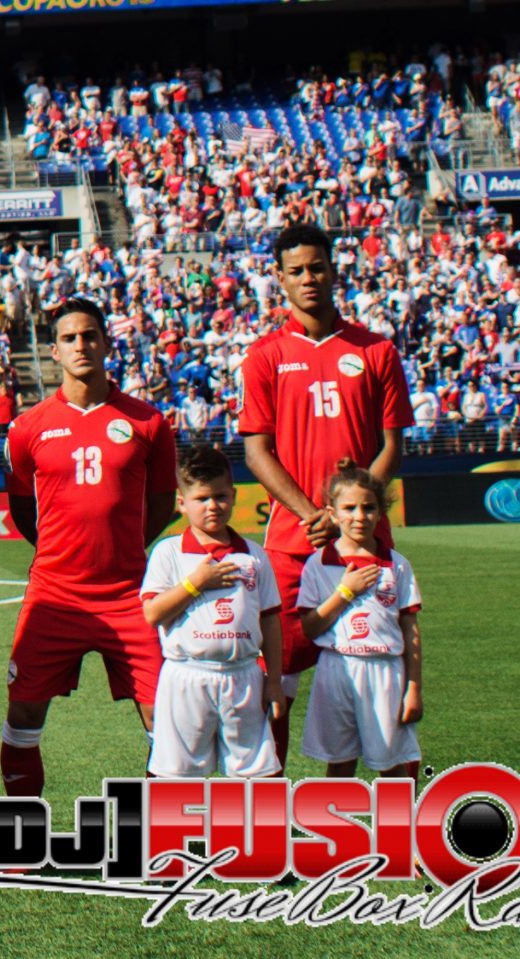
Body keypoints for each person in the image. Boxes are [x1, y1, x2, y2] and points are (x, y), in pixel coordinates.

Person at [240, 223, 413, 771]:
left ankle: (393, 831)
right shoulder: (265, 355)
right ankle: (269, 814)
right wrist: (314, 514)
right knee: (276, 684)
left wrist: (348, 513)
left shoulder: (377, 350)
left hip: (364, 546)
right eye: (297, 271)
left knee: (381, 677)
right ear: (281, 280)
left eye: (317, 267)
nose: (308, 278)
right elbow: (256, 453)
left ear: (334, 270)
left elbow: (392, 446)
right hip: (294, 543)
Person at [0, 299, 178, 799]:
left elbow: (161, 504)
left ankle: (159, 842)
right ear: (53, 351)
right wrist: (64, 549)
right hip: (55, 595)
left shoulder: (148, 422)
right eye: (71, 338)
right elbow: (23, 511)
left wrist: (121, 547)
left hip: (130, 595)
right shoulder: (27, 427)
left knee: (164, 718)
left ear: (106, 342)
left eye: (90, 335)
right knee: (23, 714)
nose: (82, 345)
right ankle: (24, 841)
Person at [138, 447, 283, 779]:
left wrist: (273, 681)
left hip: (244, 675)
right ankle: (169, 831)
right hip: (186, 674)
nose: (212, 506)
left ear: (233, 496)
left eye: (220, 496)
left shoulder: (254, 556)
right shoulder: (169, 552)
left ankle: (251, 832)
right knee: (175, 774)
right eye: (201, 498)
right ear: (182, 502)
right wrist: (196, 583)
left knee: (256, 773)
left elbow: (271, 621)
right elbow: (152, 614)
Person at [295, 469, 423, 778]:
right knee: (340, 762)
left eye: (368, 507)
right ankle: (333, 826)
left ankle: (399, 825)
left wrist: (414, 688)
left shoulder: (397, 563)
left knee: (391, 763)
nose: (359, 516)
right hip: (337, 668)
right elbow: (310, 627)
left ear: (381, 512)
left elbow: (411, 630)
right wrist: (345, 592)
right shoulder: (319, 562)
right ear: (332, 513)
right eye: (349, 508)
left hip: (386, 670)